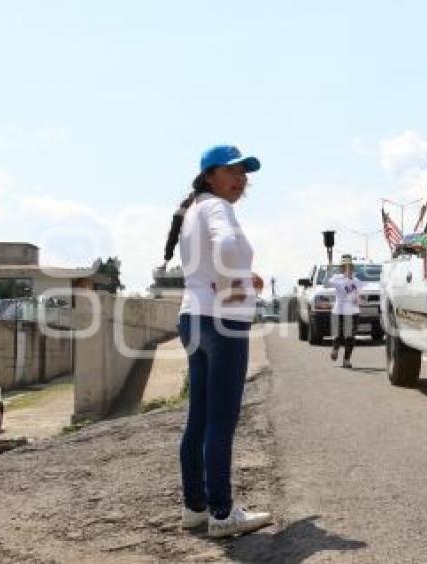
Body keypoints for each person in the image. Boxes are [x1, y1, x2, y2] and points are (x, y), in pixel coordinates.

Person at [163, 144, 272, 538]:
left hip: (193, 318)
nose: (240, 179)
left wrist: (242, 276)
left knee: (199, 419)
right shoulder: (217, 207)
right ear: (209, 175)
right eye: (231, 171)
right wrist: (232, 284)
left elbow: (209, 261)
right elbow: (225, 247)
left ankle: (195, 507)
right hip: (222, 322)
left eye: (244, 173)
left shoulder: (194, 209)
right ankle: (223, 515)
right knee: (221, 422)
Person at [324, 254, 363, 368]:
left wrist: (359, 299)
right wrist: (328, 271)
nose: (347, 268)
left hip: (353, 312)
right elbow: (326, 284)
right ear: (341, 268)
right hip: (339, 311)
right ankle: (335, 349)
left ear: (352, 268)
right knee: (339, 335)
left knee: (350, 337)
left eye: (349, 266)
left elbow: (360, 295)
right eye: (344, 266)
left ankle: (346, 360)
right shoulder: (337, 279)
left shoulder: (357, 281)